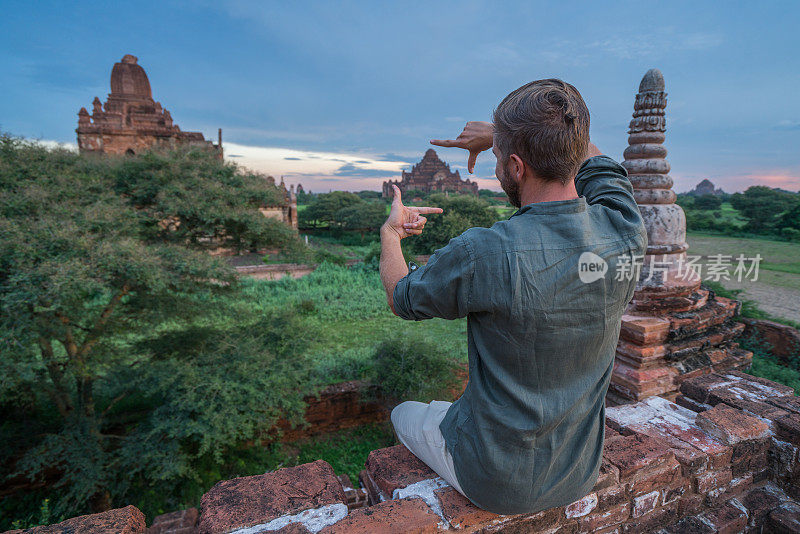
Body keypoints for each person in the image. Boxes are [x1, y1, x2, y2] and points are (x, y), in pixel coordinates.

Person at [378, 79, 648, 515]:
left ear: (517, 167)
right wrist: (506, 135)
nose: (497, 166)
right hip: (580, 470)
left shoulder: (484, 251)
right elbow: (594, 157)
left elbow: (400, 297)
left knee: (404, 413)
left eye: (501, 158)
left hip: (498, 481)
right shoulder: (624, 227)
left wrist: (391, 235)